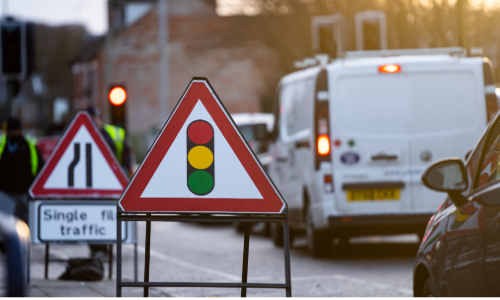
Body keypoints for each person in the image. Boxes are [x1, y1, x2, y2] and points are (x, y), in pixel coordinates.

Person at [86, 105, 133, 258]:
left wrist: (129, 177)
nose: (95, 122)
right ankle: (97, 249)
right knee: (91, 216)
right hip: (90, 184)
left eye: (96, 118)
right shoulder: (82, 134)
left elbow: (126, 156)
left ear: (100, 119)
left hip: (112, 183)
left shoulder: (113, 134)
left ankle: (107, 246)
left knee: (108, 215)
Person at [0, 116, 44, 223]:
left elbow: (39, 166)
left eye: (15, 130)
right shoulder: (2, 144)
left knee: (27, 220)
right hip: (5, 192)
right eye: (11, 130)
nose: (13, 132)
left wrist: (35, 186)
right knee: (6, 223)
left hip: (25, 191)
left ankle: (27, 239)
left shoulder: (29, 144)